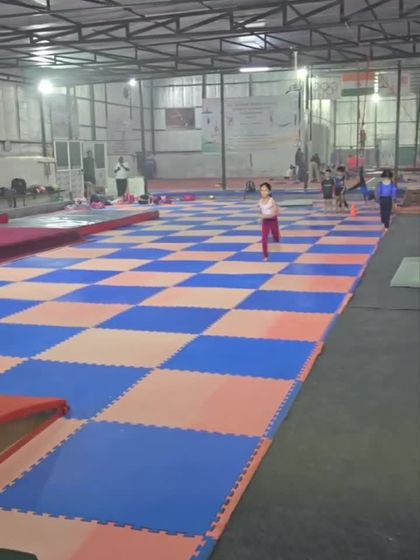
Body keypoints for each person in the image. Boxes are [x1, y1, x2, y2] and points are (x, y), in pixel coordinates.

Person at [259, 182, 280, 261]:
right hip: (265, 222)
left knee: (276, 238)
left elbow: (275, 214)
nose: (263, 192)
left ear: (269, 191)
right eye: (262, 190)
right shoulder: (260, 201)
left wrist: (265, 216)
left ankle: (276, 237)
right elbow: (261, 212)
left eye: (266, 190)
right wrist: (262, 218)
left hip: (273, 220)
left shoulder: (272, 201)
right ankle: (265, 256)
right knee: (264, 239)